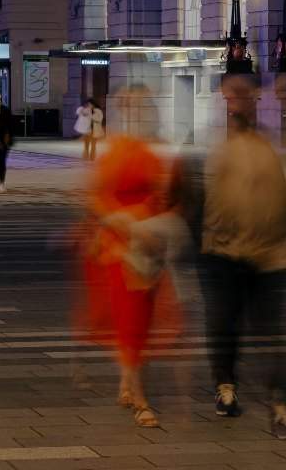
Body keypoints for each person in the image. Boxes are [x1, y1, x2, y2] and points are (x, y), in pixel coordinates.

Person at [191, 72, 286, 439]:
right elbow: (203, 205)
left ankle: (280, 403)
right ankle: (226, 386)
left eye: (242, 95)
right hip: (223, 255)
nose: (235, 102)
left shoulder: (271, 147)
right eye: (230, 96)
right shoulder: (217, 149)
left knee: (272, 332)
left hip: (270, 257)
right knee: (224, 325)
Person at [78, 128, 181, 428]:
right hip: (118, 246)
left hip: (148, 242)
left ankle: (126, 379)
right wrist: (119, 220)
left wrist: (151, 217)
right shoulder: (113, 155)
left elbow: (165, 196)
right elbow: (96, 196)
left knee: (144, 316)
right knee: (129, 315)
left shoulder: (153, 155)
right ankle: (139, 396)